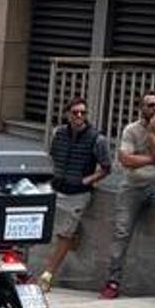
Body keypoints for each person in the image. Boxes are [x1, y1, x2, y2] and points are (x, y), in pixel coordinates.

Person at [98, 93, 155, 299]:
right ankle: (113, 281)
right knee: (121, 230)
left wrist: (153, 135)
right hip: (132, 184)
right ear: (141, 108)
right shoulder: (131, 129)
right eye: (150, 106)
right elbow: (126, 160)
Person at [35, 97, 113, 293]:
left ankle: (47, 275)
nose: (79, 116)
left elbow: (106, 167)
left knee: (65, 233)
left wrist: (86, 181)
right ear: (67, 114)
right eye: (75, 112)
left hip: (78, 193)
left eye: (83, 113)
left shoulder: (97, 139)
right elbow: (51, 157)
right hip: (56, 187)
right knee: (41, 227)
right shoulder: (58, 133)